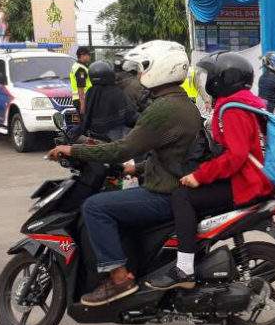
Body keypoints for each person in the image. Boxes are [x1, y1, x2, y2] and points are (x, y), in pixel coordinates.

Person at [47, 40, 202, 306]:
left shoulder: (162, 109)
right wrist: (136, 167)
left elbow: (122, 148)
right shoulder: (183, 104)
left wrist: (73, 150)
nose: (140, 75)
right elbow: (171, 154)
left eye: (144, 68)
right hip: (173, 185)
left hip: (165, 193)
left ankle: (119, 278)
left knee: (95, 207)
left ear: (160, 69)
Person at [165, 53, 275, 288]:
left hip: (246, 183)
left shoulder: (233, 108)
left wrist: (199, 176)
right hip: (253, 178)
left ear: (223, 79)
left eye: (211, 76)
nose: (208, 81)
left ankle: (184, 268)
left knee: (181, 196)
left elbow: (236, 156)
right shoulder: (247, 103)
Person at [76, 61, 137, 142]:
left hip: (94, 134)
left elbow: (86, 117)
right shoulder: (116, 92)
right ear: (110, 74)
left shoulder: (90, 92)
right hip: (114, 137)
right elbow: (130, 116)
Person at [70, 46, 93, 113]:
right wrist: (82, 104)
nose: (89, 56)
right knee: (85, 119)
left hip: (79, 99)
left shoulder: (77, 66)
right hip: (82, 100)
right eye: (88, 54)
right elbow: (80, 86)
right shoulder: (80, 69)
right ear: (82, 55)